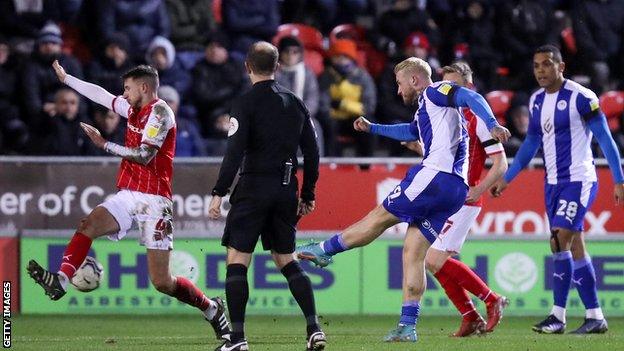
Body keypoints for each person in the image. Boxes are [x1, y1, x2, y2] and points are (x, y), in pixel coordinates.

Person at [297, 57, 510, 342]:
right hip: (455, 190)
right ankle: (407, 325)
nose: (399, 91)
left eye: (400, 84)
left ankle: (325, 249)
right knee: (414, 254)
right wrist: (372, 127)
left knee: (378, 217)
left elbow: (470, 95)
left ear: (414, 80)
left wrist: (493, 123)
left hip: (435, 177)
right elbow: (410, 130)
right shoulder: (430, 108)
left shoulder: (436, 92)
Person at [26, 61, 231, 345]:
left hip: (155, 201)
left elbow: (145, 155)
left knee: (162, 282)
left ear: (144, 88)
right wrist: (67, 79)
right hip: (129, 193)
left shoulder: (160, 113)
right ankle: (60, 281)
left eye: (128, 88)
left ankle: (211, 308)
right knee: (88, 224)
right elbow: (101, 95)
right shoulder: (132, 108)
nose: (123, 95)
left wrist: (104, 145)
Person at [491, 45, 624, 334]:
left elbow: (605, 138)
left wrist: (619, 179)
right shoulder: (537, 100)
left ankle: (557, 316)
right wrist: (508, 177)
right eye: (537, 65)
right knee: (574, 245)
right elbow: (530, 145)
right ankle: (595, 316)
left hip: (579, 180)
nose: (541, 70)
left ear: (560, 67)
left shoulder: (582, 97)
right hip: (552, 184)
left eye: (547, 64)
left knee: (558, 240)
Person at [207, 41, 324, 351]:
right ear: (278, 67)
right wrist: (308, 192)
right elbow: (312, 152)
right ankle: (314, 328)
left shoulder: (244, 103)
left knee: (237, 261)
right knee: (287, 260)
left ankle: (238, 339)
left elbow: (234, 153)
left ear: (248, 67)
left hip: (253, 187)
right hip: (286, 189)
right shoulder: (295, 102)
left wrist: (219, 192)